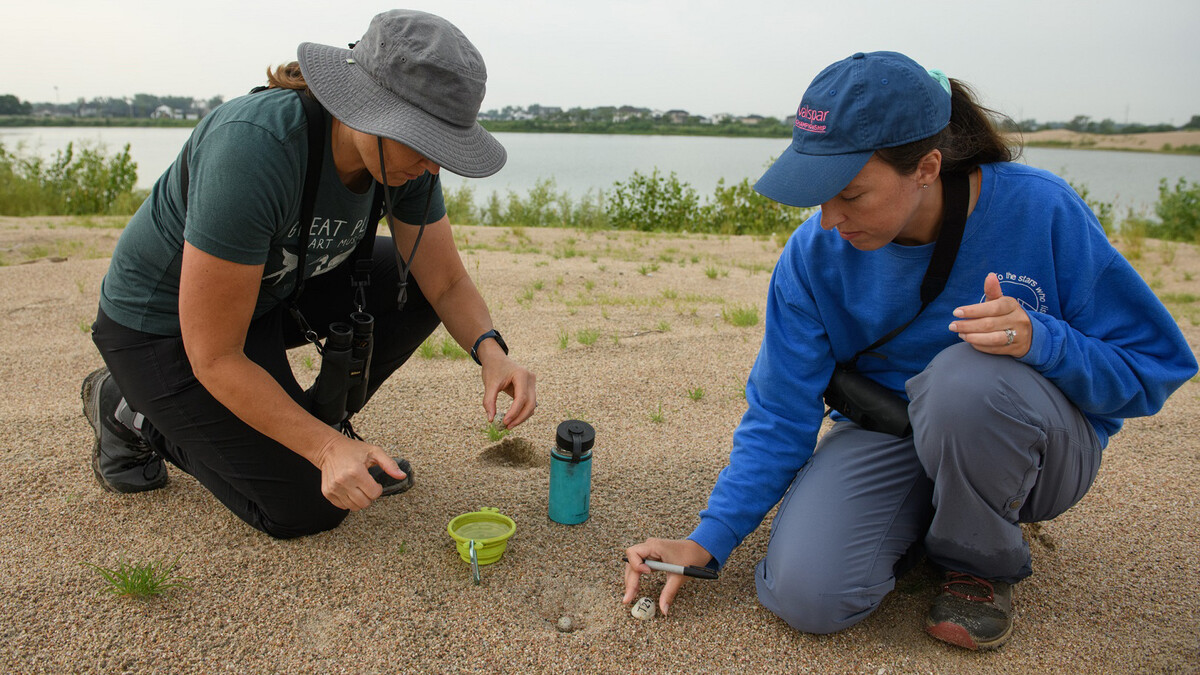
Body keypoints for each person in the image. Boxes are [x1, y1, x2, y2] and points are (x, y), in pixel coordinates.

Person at [623, 51, 1197, 651]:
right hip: (894, 437)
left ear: (926, 167)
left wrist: (1044, 342)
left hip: (1033, 451)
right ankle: (929, 522)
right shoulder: (813, 254)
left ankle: (980, 562)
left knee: (963, 382)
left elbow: (1155, 368)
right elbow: (780, 413)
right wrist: (707, 540)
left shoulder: (1041, 210)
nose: (828, 220)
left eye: (850, 194)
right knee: (807, 596)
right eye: (817, 195)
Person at [82, 10, 537, 538]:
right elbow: (215, 353)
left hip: (268, 298)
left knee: (409, 286)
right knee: (307, 506)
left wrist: (492, 351)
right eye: (425, 140)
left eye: (445, 143)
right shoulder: (255, 147)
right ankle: (126, 406)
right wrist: (323, 449)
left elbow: (446, 282)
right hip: (165, 329)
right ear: (365, 107)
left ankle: (313, 429)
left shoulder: (406, 160)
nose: (436, 166)